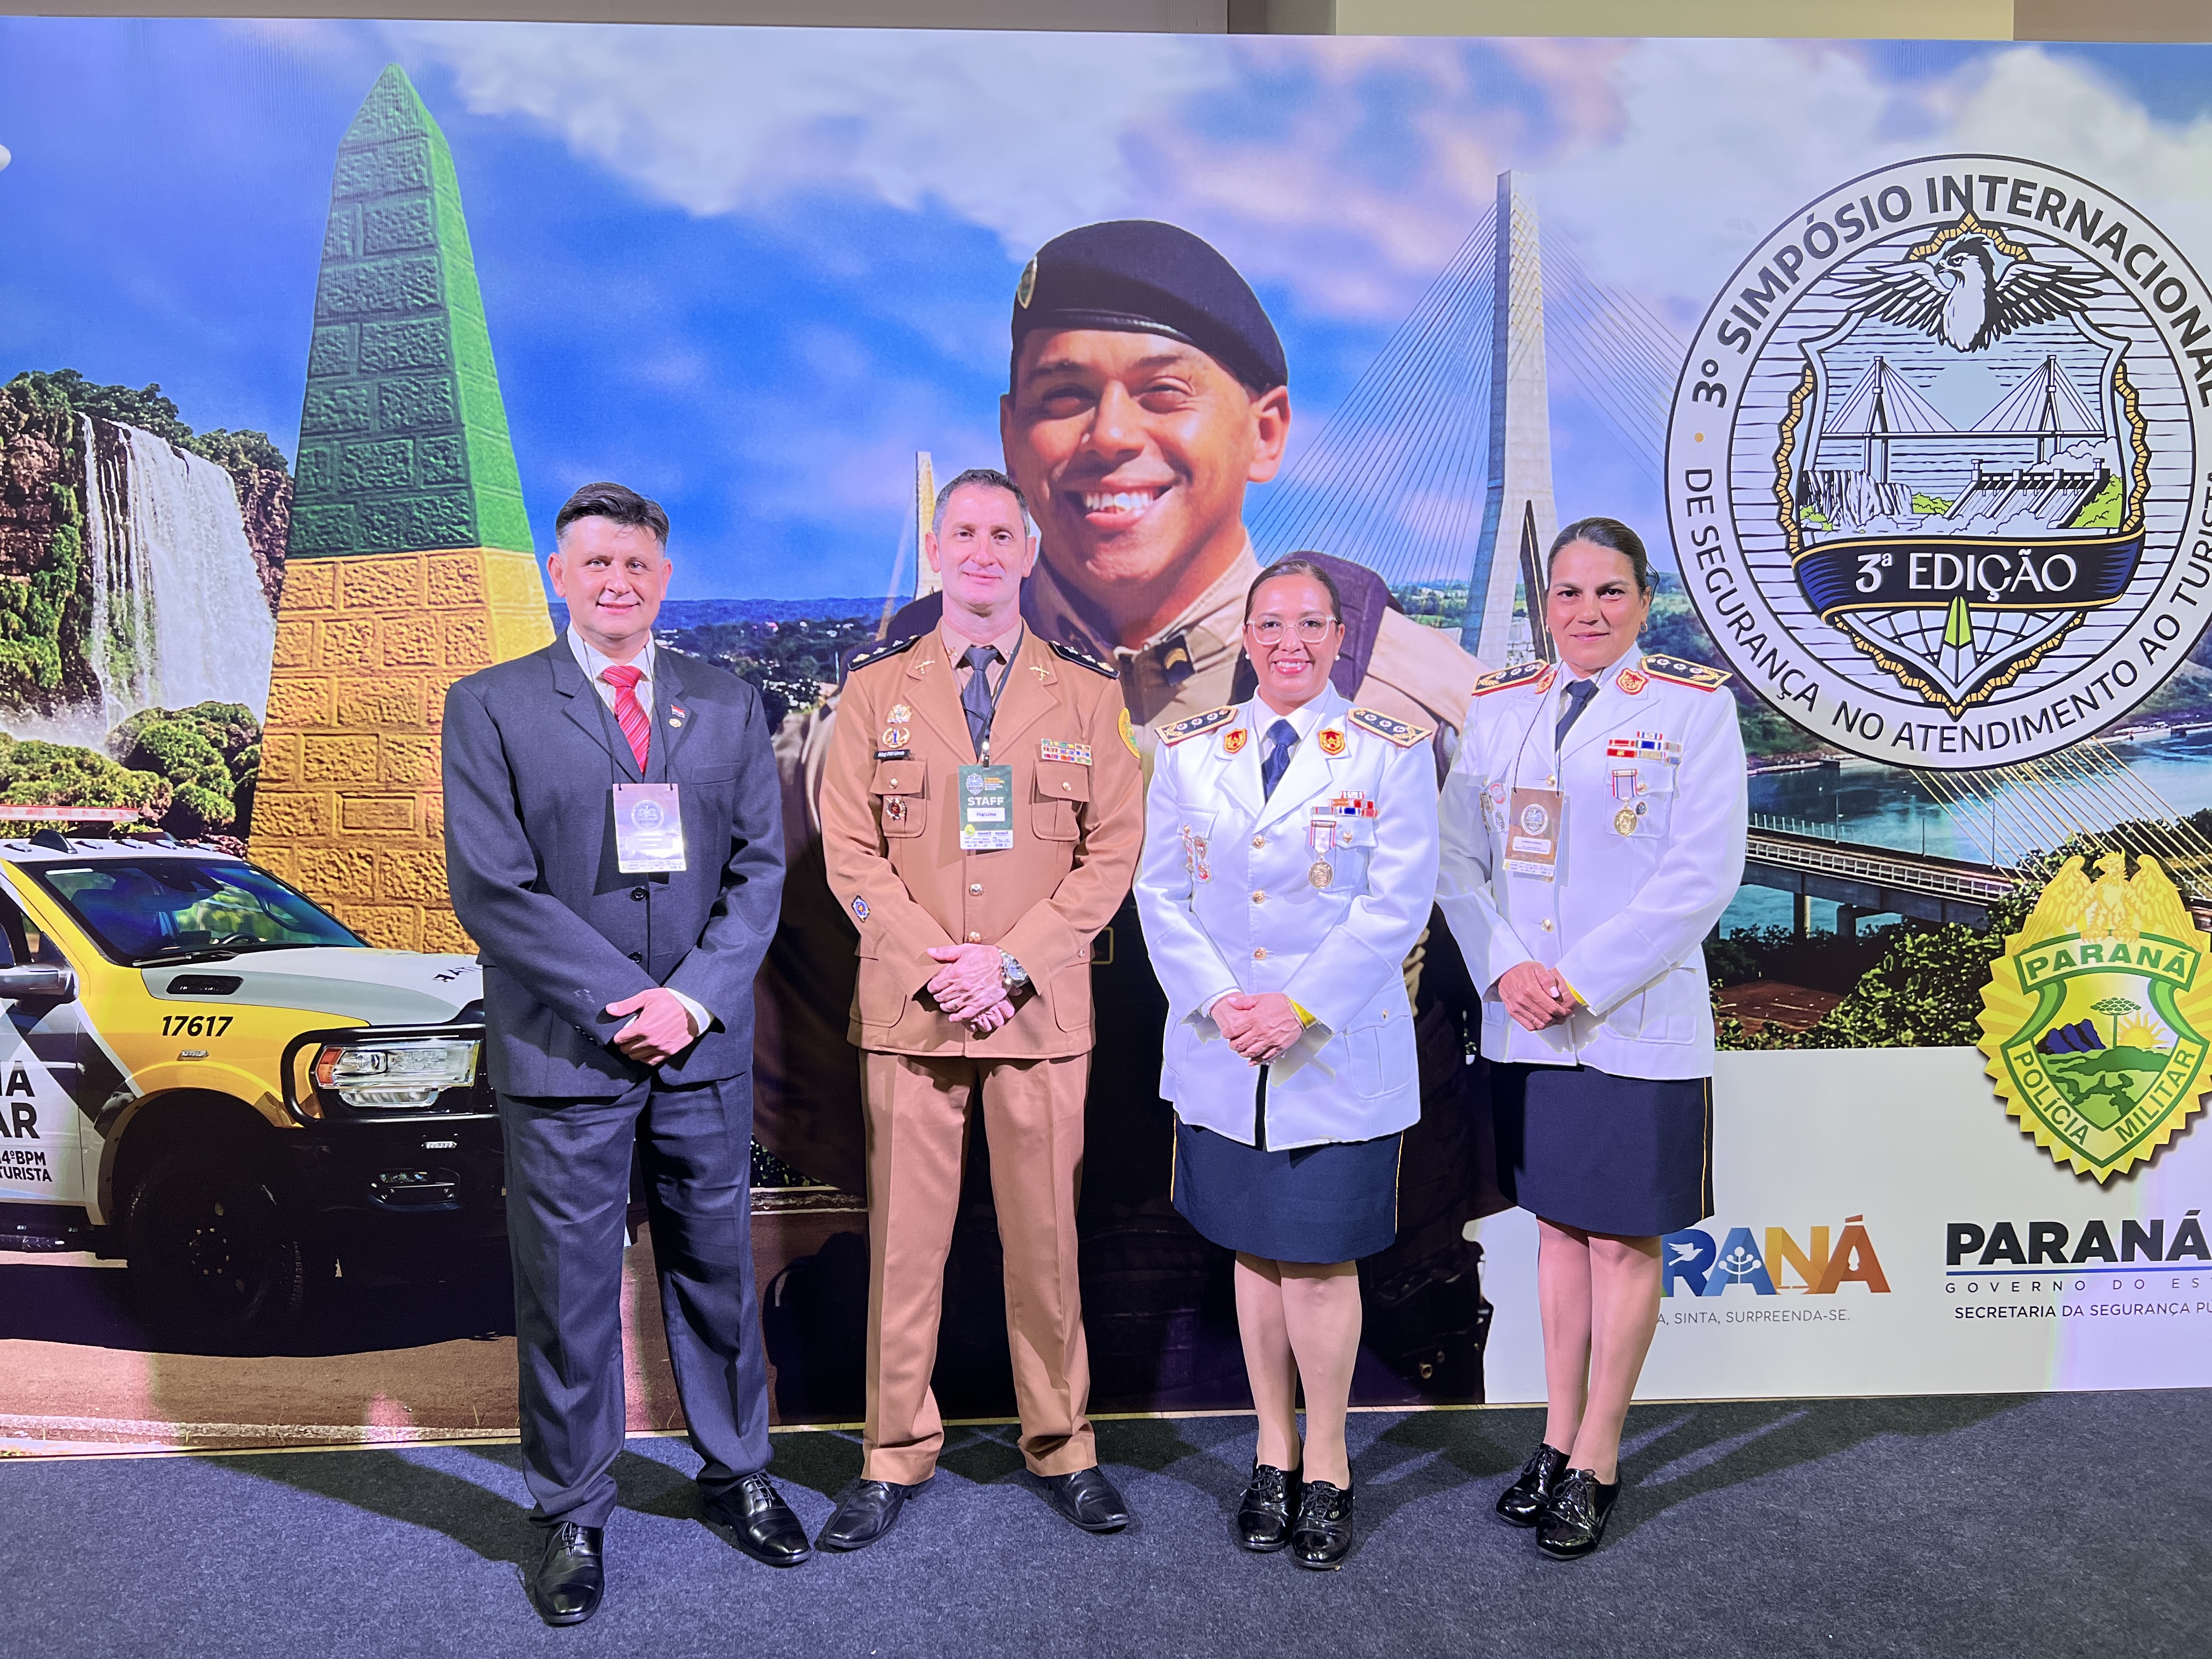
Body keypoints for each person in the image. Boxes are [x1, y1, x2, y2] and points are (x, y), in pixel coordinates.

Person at [757, 219, 1498, 1410]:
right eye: (1064, 396)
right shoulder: (868, 713)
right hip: (1001, 1295)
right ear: (1013, 434)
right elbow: (791, 1010)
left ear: (1265, 429)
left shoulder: (1423, 702)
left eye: (1163, 391)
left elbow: (1501, 969)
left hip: (1336, 1269)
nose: (1109, 436)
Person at [442, 482, 807, 1626]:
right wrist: (623, 1004)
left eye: (637, 565)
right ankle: (572, 1510)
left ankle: (738, 1472)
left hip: (701, 1049)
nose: (617, 582)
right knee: (567, 1295)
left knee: (717, 1274)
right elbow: (491, 889)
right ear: (560, 573)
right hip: (565, 1054)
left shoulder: (726, 702)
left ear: (665, 578)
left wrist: (689, 1003)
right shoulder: (489, 705)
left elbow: (760, 872)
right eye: (595, 563)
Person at [814, 467, 1147, 1549]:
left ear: (1030, 553)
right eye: (964, 533)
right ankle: (892, 1453)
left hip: (1035, 1015)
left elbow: (1112, 856)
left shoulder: (1087, 697)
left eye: (1004, 534)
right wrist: (937, 963)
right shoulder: (875, 693)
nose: (984, 552)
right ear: (935, 548)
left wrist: (1010, 966)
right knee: (905, 1252)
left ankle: (1063, 1446)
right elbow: (849, 851)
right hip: (911, 1010)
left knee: (1047, 1250)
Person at [1435, 516, 1747, 1560]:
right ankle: (1555, 1438)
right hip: (1527, 1021)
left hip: (1631, 1019)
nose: (1587, 612)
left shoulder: (1693, 709)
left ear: (1644, 601)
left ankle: (1600, 1456)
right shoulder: (1499, 707)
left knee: (1621, 1241)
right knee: (1558, 1233)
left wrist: (1578, 979)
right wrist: (1507, 969)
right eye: (1567, 593)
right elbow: (1456, 860)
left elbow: (1701, 876)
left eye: (1610, 592)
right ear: (1545, 604)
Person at [1135, 557, 1440, 1570]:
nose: (1290, 642)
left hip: (1330, 1051)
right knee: (1254, 1255)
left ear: (1340, 637)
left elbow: (1397, 905)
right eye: (1271, 624)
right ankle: (1272, 1450)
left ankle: (1330, 1463)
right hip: (1224, 1046)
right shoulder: (1191, 753)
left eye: (1311, 624)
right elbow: (1160, 895)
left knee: (1316, 1264)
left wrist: (1297, 1007)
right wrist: (1223, 1002)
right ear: (1249, 637)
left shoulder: (1390, 751)